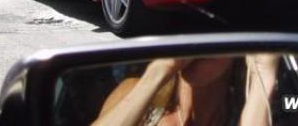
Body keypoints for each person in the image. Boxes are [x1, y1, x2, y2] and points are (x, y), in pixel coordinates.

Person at [91, 54, 279, 126]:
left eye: (215, 35)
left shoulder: (245, 116)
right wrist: (160, 70)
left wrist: (263, 75)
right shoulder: (136, 92)